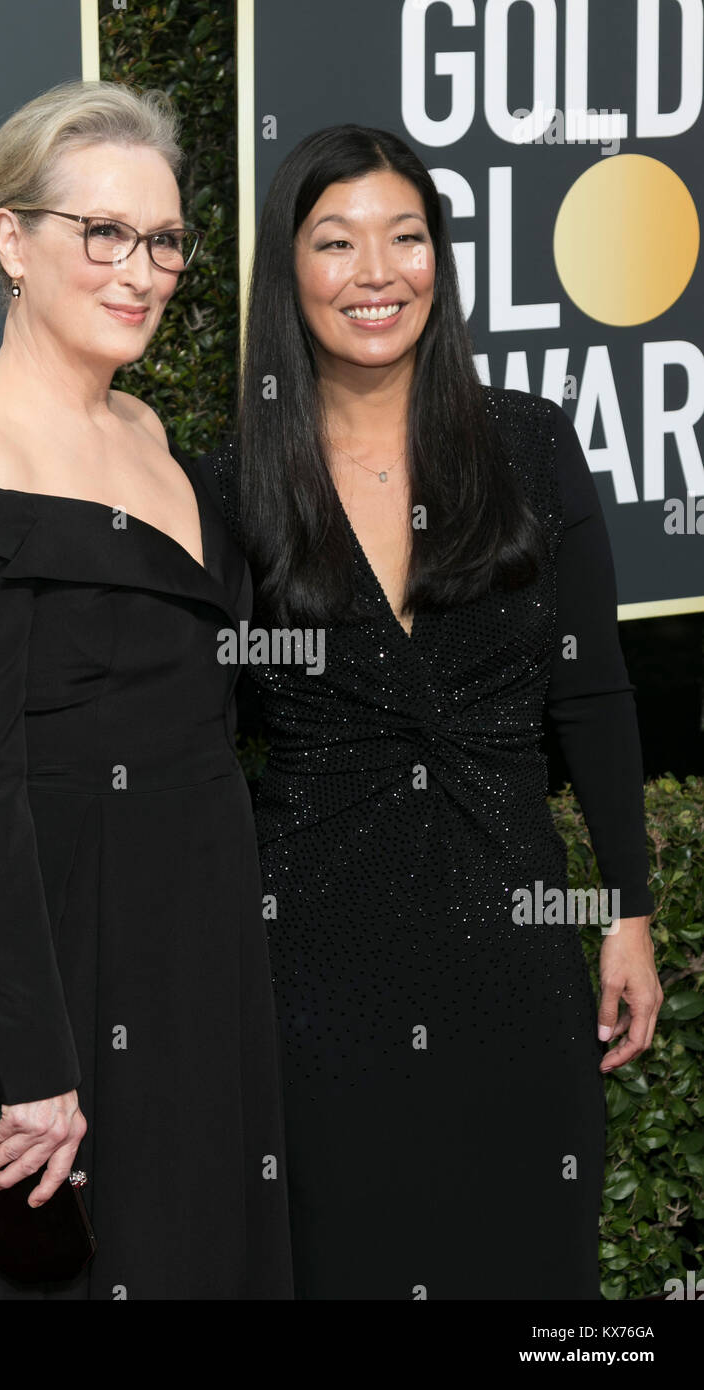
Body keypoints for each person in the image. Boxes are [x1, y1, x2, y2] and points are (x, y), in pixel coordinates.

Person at [203, 124, 661, 1300]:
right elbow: (195, 743)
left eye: (405, 237)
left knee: (526, 1261)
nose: (376, 272)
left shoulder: (526, 443)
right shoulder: (232, 484)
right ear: (287, 270)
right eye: (336, 240)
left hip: (512, 940)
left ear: (440, 260)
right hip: (310, 966)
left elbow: (593, 692)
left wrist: (621, 908)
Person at [0, 79, 293, 1300]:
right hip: (53, 961)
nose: (142, 271)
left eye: (162, 239)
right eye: (100, 233)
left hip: (191, 935)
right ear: (13, 238)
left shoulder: (151, 432)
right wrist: (33, 1064)